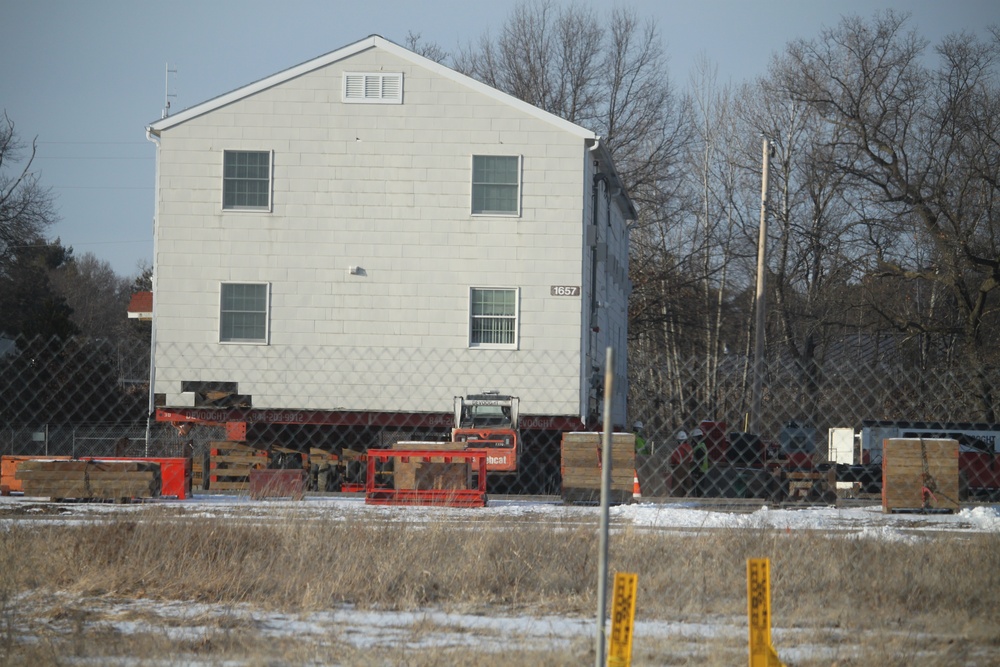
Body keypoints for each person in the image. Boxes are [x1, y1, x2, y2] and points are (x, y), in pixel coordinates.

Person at [691, 428, 709, 497]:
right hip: (701, 470)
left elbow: (699, 461)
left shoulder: (700, 447)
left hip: (699, 471)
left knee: (698, 490)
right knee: (699, 489)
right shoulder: (701, 445)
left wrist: (696, 471)